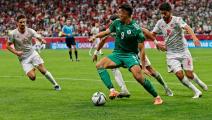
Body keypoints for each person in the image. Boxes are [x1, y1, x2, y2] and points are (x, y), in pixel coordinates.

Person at [89, 4, 163, 105]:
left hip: (130, 55)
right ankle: (112, 90)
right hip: (117, 54)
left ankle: (157, 97)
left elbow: (141, 49)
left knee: (138, 77)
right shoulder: (116, 23)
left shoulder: (135, 29)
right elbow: (106, 32)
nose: (118, 14)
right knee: (99, 65)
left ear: (127, 14)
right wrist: (95, 36)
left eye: (121, 12)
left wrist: (144, 67)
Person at [152, 2, 208, 98]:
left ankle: (199, 82)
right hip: (171, 53)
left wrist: (194, 38)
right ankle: (197, 91)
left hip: (183, 51)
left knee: (189, 74)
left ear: (170, 12)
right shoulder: (160, 23)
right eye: (161, 13)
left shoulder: (177, 20)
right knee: (178, 74)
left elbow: (188, 28)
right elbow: (152, 34)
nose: (163, 16)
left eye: (165, 13)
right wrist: (156, 43)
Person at [6, 14, 61, 91]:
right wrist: (16, 52)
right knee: (32, 77)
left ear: (26, 22)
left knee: (42, 70)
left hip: (32, 54)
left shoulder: (30, 31)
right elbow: (7, 46)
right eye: (21, 22)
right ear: (17, 23)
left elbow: (38, 36)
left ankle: (56, 85)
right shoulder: (13, 34)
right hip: (23, 59)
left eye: (24, 22)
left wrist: (42, 40)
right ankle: (34, 68)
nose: (22, 24)